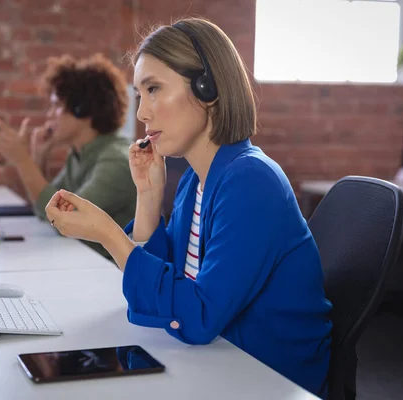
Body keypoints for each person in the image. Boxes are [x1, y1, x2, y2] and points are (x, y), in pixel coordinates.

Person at [45, 18, 332, 397]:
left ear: (207, 88)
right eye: (139, 95)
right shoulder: (196, 182)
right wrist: (148, 197)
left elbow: (196, 317)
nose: (142, 114)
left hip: (266, 379)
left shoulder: (251, 180)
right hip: (220, 364)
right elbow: (165, 287)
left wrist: (108, 234)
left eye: (153, 89)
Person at [0, 53, 136, 259]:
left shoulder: (115, 161)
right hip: (83, 263)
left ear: (83, 110)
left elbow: (67, 220)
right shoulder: (79, 154)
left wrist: (22, 161)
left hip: (111, 275)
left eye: (57, 106)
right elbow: (48, 211)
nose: (50, 115)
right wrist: (39, 158)